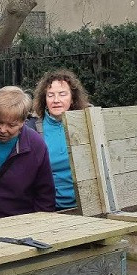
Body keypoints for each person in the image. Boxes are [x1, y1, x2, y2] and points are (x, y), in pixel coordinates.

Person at [0, 86, 55, 220]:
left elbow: (45, 195)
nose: (3, 130)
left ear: (24, 121)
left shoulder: (36, 145)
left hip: (20, 222)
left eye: (11, 125)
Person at [31, 69, 90, 210]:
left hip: (86, 205)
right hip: (48, 207)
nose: (56, 100)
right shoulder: (33, 128)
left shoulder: (87, 124)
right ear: (44, 99)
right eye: (50, 95)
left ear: (73, 98)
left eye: (62, 94)